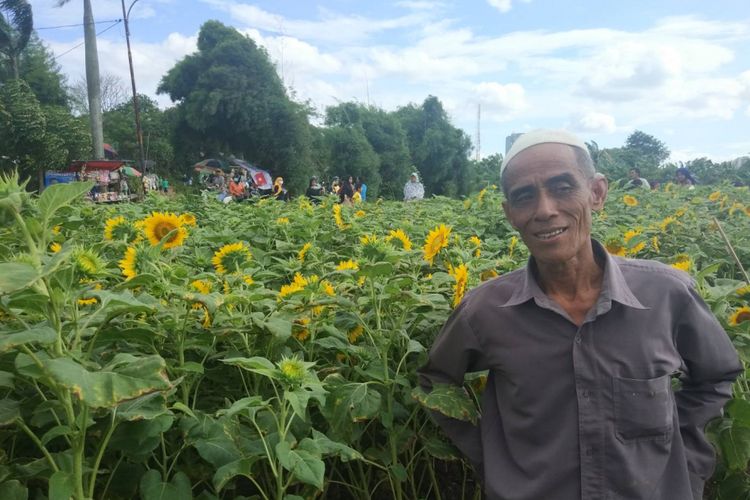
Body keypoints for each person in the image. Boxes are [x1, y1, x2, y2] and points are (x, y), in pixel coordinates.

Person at [418, 129, 741, 500]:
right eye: (525, 196)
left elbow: (716, 377)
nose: (545, 210)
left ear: (597, 193)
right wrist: (491, 457)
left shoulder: (667, 295)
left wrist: (686, 466)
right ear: (510, 214)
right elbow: (435, 382)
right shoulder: (485, 312)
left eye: (562, 187)